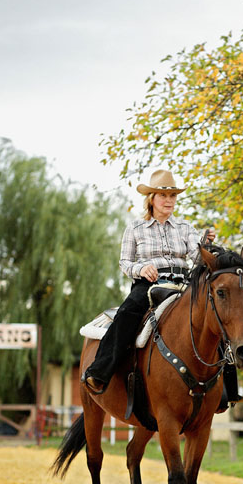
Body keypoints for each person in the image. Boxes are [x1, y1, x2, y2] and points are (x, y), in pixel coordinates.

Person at [83, 169, 216, 394]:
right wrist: (142, 268)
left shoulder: (186, 228)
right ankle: (100, 372)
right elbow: (124, 263)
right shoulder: (135, 228)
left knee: (216, 313)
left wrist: (206, 245)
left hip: (184, 283)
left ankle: (226, 390)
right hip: (149, 285)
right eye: (163, 195)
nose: (169, 200)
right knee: (127, 314)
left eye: (173, 196)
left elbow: (196, 258)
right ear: (151, 198)